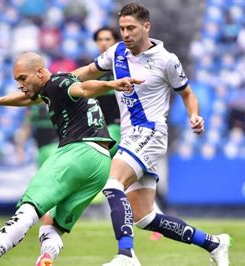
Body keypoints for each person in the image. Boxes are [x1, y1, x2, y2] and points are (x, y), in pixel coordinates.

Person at [72, 3, 230, 266]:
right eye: (122, 28)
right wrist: (59, 81)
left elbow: (187, 93)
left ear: (146, 26)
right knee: (145, 217)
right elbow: (88, 72)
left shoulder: (167, 60)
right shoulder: (117, 52)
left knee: (112, 183)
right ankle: (214, 242)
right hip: (130, 136)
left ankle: (127, 256)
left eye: (131, 28)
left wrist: (194, 114)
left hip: (150, 133)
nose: (125, 34)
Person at [0, 52, 143, 266]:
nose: (20, 84)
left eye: (22, 78)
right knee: (51, 224)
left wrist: (112, 84)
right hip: (100, 163)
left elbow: (82, 89)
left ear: (40, 72)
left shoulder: (58, 83)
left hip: (78, 152)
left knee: (28, 210)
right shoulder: (51, 89)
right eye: (17, 80)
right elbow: (29, 99)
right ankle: (46, 258)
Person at [93, 26, 164, 240]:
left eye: (108, 39)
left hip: (119, 130)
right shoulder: (99, 67)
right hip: (106, 129)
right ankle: (151, 215)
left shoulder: (125, 65)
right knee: (127, 181)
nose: (104, 43)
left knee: (111, 177)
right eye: (100, 40)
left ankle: (126, 245)